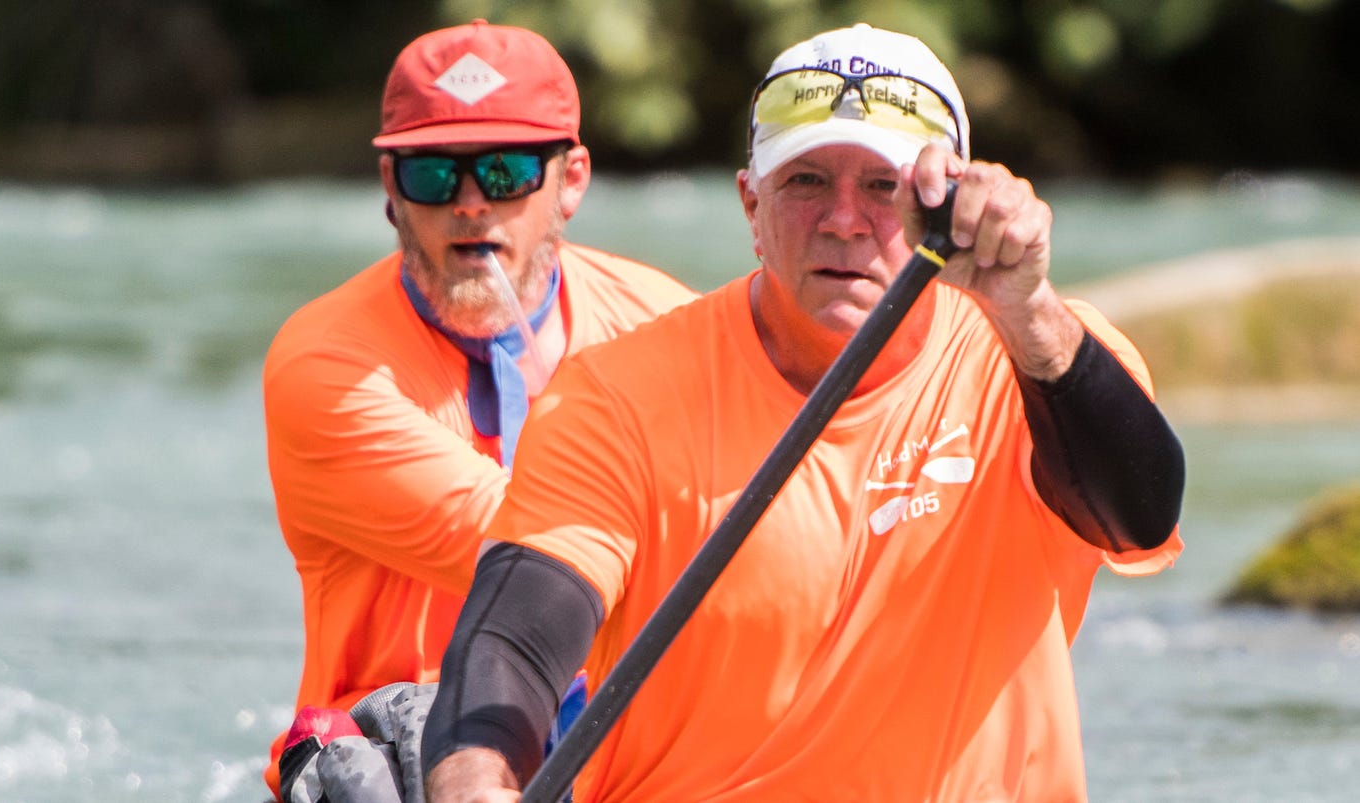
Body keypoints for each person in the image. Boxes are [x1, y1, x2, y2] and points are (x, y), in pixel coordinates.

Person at [421, 22, 1186, 802]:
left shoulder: (1038, 357)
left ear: (949, 207)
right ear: (751, 205)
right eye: (806, 181)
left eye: (884, 187)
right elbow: (513, 644)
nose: (843, 219)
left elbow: (1139, 519)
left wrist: (1025, 310)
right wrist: (475, 781)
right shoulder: (617, 397)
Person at [259, 19, 696, 803]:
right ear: (391, 191)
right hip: (393, 758)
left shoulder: (669, 326)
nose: (469, 205)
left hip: (616, 749)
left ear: (570, 180)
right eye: (433, 174)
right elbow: (532, 554)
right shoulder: (325, 365)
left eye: (504, 171)